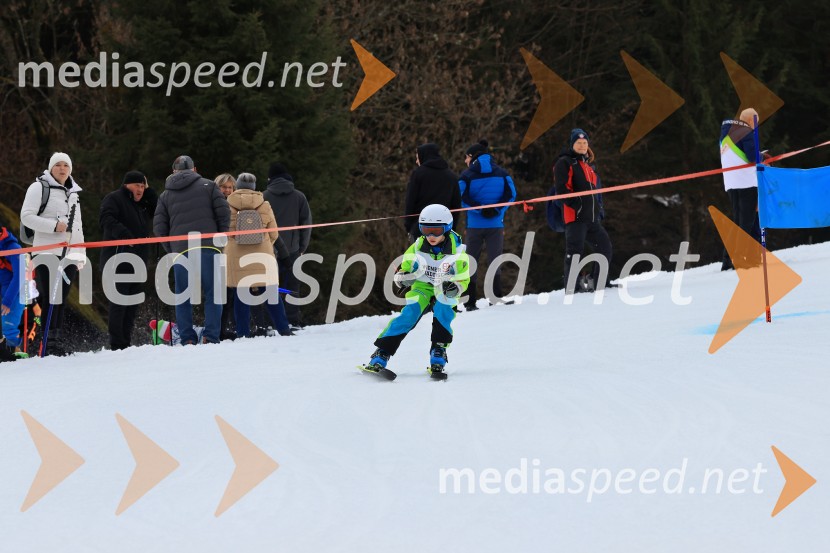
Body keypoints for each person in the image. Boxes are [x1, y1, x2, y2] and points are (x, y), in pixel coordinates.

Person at [363, 204, 470, 379]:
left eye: (436, 231)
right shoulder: (417, 247)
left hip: (444, 288)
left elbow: (463, 279)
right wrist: (403, 277)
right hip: (422, 287)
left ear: (447, 228)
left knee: (444, 311)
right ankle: (381, 353)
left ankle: (438, 351)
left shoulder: (458, 253)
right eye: (426, 230)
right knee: (409, 314)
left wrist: (455, 287)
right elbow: (405, 268)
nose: (431, 236)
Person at [153, 155, 230, 345]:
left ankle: (187, 338)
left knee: (183, 295)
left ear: (174, 172)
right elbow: (224, 213)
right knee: (213, 293)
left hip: (181, 251)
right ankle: (210, 336)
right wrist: (220, 240)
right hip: (208, 246)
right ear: (194, 170)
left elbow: (159, 228)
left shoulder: (165, 195)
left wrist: (172, 249)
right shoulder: (210, 186)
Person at [19, 152, 86, 356]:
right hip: (46, 250)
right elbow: (26, 217)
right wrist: (54, 226)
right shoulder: (39, 187)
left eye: (66, 165)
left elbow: (77, 227)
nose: (63, 168)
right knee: (51, 296)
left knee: (62, 297)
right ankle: (47, 342)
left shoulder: (73, 193)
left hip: (69, 253)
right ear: (51, 168)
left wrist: (80, 253)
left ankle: (56, 340)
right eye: (58, 165)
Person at [225, 172, 292, 337]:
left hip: (237, 256)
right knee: (270, 293)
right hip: (263, 255)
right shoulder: (264, 204)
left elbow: (224, 231)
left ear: (237, 186)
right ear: (254, 187)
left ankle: (242, 333)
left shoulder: (227, 205)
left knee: (241, 294)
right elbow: (274, 233)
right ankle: (284, 329)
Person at [99, 170, 158, 350]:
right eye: (137, 186)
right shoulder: (115, 198)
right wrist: (124, 235)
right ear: (127, 185)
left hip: (138, 261)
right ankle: (117, 343)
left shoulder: (141, 205)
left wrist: (149, 192)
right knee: (119, 302)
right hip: (117, 258)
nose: (140, 189)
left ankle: (126, 341)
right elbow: (106, 219)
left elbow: (157, 210)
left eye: (143, 186)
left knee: (132, 303)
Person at [458, 139, 516, 310]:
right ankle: (495, 297)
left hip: (474, 225)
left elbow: (461, 197)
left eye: (466, 158)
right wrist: (498, 211)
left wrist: (479, 210)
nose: (465, 162)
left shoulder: (466, 175)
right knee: (494, 260)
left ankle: (469, 302)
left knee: (471, 262)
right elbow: (511, 195)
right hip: (495, 225)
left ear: (471, 157)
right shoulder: (503, 173)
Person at [553, 128, 612, 294]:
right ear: (572, 144)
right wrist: (577, 205)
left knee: (604, 246)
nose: (582, 145)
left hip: (592, 218)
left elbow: (595, 192)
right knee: (574, 252)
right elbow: (561, 190)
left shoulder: (588, 166)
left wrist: (598, 209)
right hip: (575, 217)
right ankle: (572, 287)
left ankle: (599, 282)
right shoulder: (564, 163)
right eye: (578, 143)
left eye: (585, 143)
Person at [263, 162, 311, 329]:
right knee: (292, 285)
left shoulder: (263, 196)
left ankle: (273, 322)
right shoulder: (299, 197)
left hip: (269, 249)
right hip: (292, 249)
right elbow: (306, 223)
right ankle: (293, 320)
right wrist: (302, 247)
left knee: (271, 285)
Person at [719, 107, 763, 270]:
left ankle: (727, 260)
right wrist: (763, 156)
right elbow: (753, 157)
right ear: (751, 120)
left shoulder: (726, 132)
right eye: (756, 122)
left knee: (738, 221)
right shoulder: (746, 131)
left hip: (731, 183)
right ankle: (738, 260)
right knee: (745, 223)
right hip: (746, 182)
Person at [404, 143, 461, 242]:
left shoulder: (418, 174)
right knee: (442, 257)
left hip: (421, 226)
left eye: (418, 158)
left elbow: (410, 200)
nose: (417, 161)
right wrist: (452, 227)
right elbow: (456, 205)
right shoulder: (451, 176)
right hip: (444, 227)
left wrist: (408, 225)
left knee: (419, 256)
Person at [214, 173, 237, 339]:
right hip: (216, 251)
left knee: (229, 295)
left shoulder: (236, 204)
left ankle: (223, 328)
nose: (227, 190)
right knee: (217, 294)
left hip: (232, 253)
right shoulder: (212, 202)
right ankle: (215, 329)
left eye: (230, 187)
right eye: (224, 187)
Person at [0, 222, 26, 361]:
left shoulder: (13, 248)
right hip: (4, 291)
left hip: (16, 292)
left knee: (8, 325)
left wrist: (8, 301)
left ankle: (15, 353)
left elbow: (20, 277)